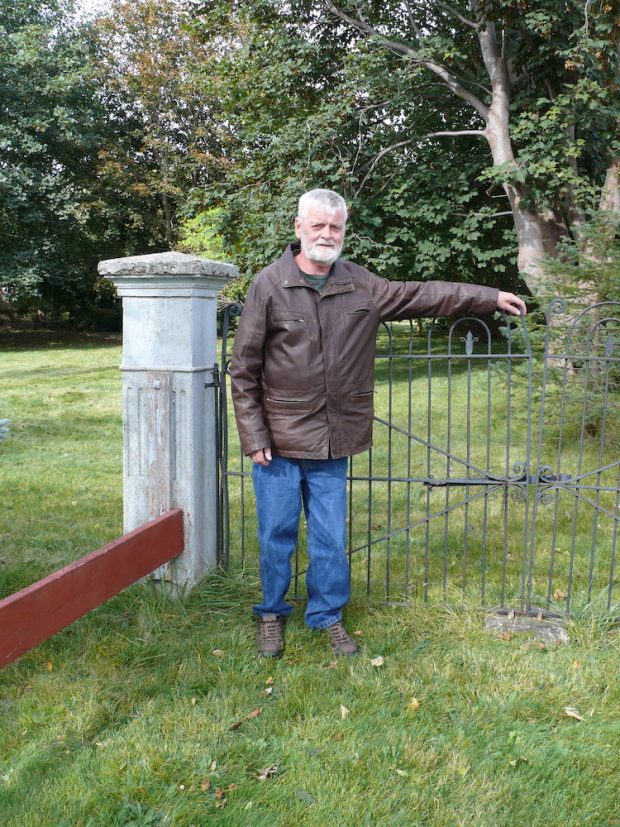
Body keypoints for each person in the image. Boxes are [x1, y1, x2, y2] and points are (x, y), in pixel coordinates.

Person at [230, 188, 526, 658]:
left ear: (343, 232)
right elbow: (244, 368)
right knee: (275, 534)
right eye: (318, 225)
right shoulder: (269, 284)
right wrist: (254, 436)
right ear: (298, 228)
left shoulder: (360, 283)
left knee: (330, 537)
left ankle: (327, 615)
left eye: (336, 227)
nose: (327, 234)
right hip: (279, 441)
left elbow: (424, 295)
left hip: (334, 439)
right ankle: (271, 611)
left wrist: (487, 296)